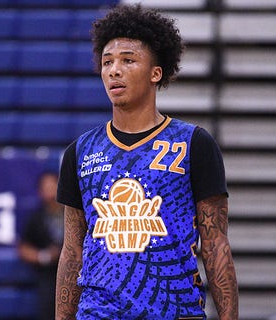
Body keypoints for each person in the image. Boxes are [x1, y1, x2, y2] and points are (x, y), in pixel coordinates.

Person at [55, 4, 238, 319]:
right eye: (107, 62)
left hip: (173, 311)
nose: (114, 70)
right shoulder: (80, 151)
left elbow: (215, 245)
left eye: (128, 60)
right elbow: (72, 251)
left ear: (156, 73)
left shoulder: (193, 143)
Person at [18, 171, 64, 320]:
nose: (50, 191)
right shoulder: (36, 218)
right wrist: (44, 256)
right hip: (48, 276)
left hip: (74, 272)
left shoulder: (73, 214)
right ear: (40, 191)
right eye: (46, 187)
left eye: (53, 186)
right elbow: (23, 248)